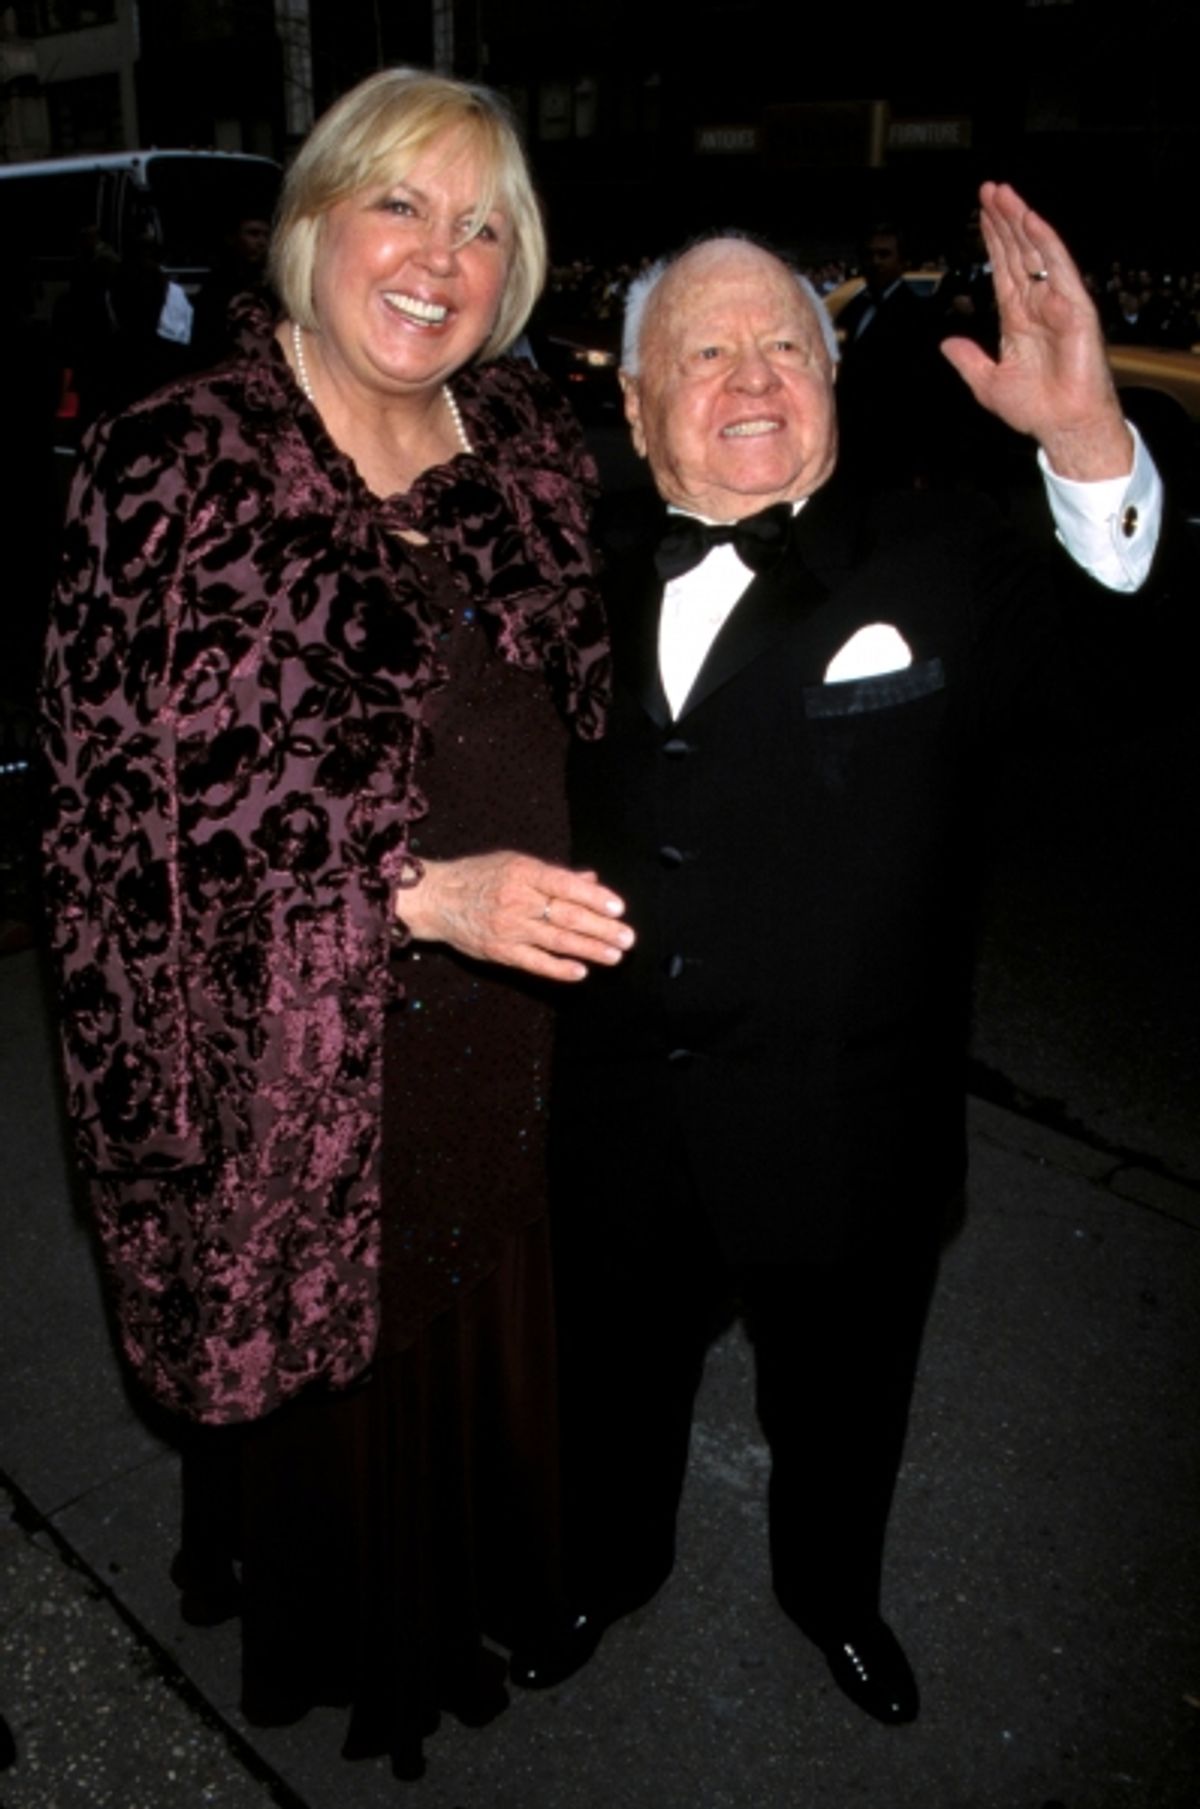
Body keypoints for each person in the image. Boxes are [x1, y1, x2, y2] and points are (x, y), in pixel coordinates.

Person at [507, 185, 1174, 1723]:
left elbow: (1128, 680)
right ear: (633, 397)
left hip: (848, 1132)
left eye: (783, 347)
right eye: (705, 352)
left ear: (828, 373)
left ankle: (833, 1592)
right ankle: (611, 1565)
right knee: (616, 1387)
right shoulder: (559, 574)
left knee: (845, 1405)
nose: (750, 379)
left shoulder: (936, 553)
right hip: (622, 1124)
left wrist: (1087, 443)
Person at [41, 68, 632, 1781]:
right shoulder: (177, 464)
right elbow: (118, 843)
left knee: (469, 1309)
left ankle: (473, 1588)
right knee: (335, 1357)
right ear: (312, 223)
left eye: (484, 224)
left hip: (506, 1029)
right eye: (403, 204)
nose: (440, 256)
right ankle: (352, 1634)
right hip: (298, 1062)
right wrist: (415, 891)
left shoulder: (517, 436)